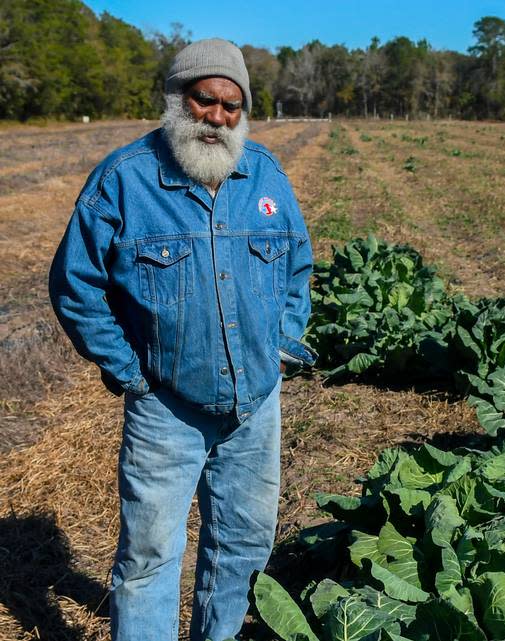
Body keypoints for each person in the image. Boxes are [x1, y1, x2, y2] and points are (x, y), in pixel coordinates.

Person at [48, 38, 315, 641]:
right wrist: (129, 371)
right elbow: (76, 285)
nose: (217, 117)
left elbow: (298, 265)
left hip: (256, 408)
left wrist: (281, 344)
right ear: (176, 98)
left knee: (244, 545)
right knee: (148, 557)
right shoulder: (125, 180)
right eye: (204, 100)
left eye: (231, 105)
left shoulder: (264, 174)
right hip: (166, 407)